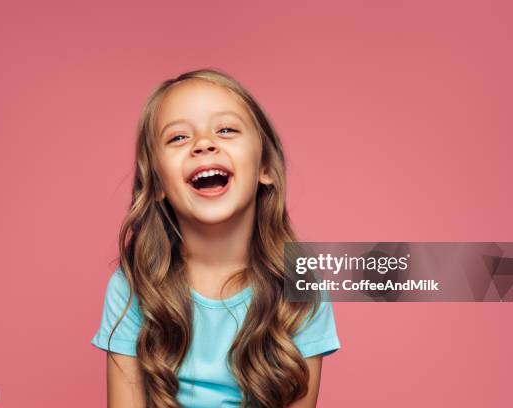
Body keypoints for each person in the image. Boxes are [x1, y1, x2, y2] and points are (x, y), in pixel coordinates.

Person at [91, 68, 340, 407]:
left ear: (265, 167)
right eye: (178, 137)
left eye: (226, 129)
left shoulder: (300, 286)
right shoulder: (133, 287)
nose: (204, 144)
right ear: (159, 184)